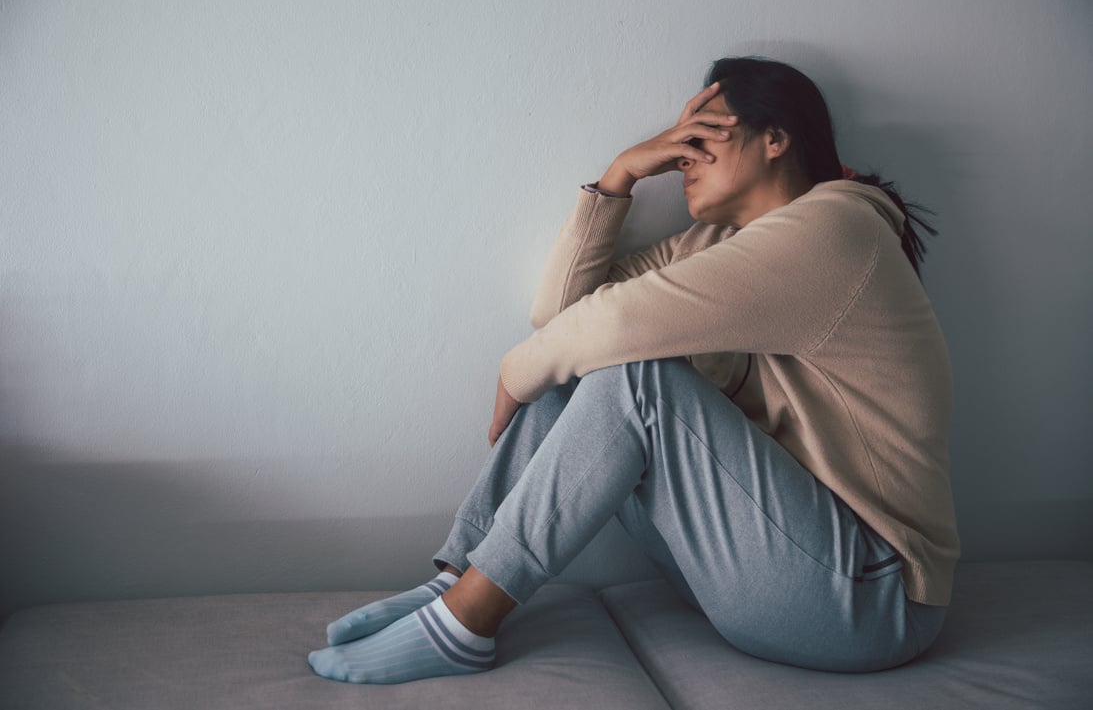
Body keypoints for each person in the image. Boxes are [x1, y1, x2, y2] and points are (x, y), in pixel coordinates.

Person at [307, 56, 960, 683]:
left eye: (702, 137)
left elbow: (610, 330)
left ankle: (466, 623)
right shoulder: (718, 245)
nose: (681, 156)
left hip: (873, 600)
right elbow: (562, 318)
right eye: (679, 142)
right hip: (777, 572)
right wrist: (618, 175)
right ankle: (455, 580)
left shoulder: (837, 230)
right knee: (581, 365)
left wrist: (513, 372)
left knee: (635, 375)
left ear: (775, 139)